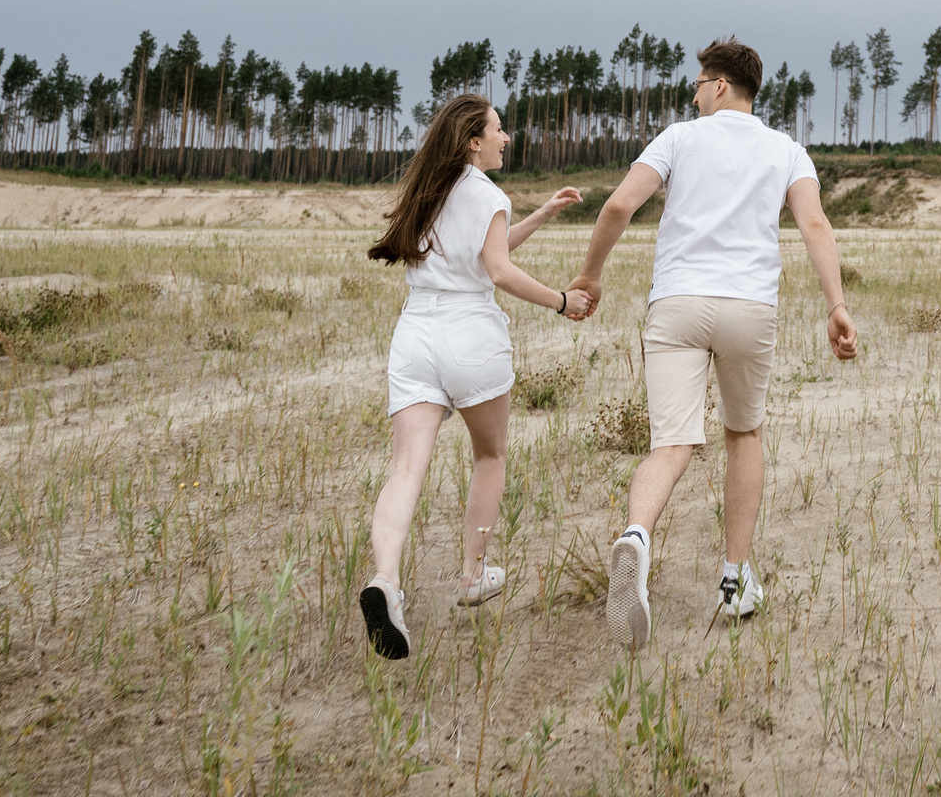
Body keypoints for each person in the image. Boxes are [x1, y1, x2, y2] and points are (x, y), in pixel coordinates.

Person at [562, 37, 856, 649]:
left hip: (678, 303)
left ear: (719, 86)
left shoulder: (678, 139)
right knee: (743, 434)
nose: (693, 93)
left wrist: (590, 274)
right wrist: (836, 304)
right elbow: (814, 224)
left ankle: (637, 537)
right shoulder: (787, 149)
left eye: (698, 83)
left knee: (671, 443)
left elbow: (618, 205)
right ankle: (734, 580)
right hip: (749, 307)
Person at [357, 93, 587, 660]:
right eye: (499, 130)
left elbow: (482, 250)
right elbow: (497, 270)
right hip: (470, 337)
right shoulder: (486, 193)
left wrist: (540, 215)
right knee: (490, 455)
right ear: (473, 140)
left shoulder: (429, 190)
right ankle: (472, 575)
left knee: (406, 468)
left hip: (415, 337)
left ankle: (385, 580)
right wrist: (561, 300)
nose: (506, 138)